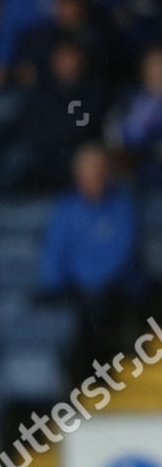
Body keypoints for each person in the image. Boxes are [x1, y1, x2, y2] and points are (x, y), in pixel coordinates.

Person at [40, 143, 141, 381]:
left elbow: (122, 254)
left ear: (107, 172)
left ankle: (98, 375)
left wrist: (89, 282)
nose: (93, 176)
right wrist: (57, 286)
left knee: (94, 308)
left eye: (98, 170)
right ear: (77, 175)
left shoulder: (122, 206)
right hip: (76, 289)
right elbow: (54, 252)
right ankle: (69, 380)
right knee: (51, 307)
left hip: (115, 288)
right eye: (87, 171)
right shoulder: (66, 208)